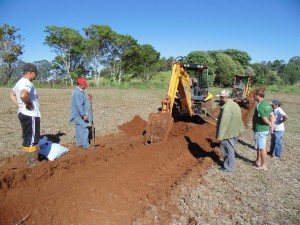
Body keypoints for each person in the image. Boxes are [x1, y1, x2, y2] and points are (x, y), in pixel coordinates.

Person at [9, 63, 41, 168]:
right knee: (32, 138)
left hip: (23, 113)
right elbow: (23, 94)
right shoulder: (27, 83)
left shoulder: (19, 82)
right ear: (31, 73)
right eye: (35, 74)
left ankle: (29, 161)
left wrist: (19, 105)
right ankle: (33, 162)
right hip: (30, 114)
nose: (35, 76)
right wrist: (28, 104)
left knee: (27, 137)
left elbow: (12, 94)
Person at [216, 90, 245, 172]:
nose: (220, 99)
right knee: (231, 149)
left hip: (228, 133)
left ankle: (229, 167)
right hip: (235, 131)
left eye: (220, 97)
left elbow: (224, 123)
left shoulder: (226, 107)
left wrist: (220, 136)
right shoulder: (235, 104)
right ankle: (229, 165)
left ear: (223, 97)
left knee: (227, 151)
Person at [252, 88, 274, 170]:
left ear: (258, 96)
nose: (254, 96)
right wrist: (271, 127)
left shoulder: (260, 106)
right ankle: (258, 161)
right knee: (259, 146)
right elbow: (272, 115)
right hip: (264, 129)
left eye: (255, 95)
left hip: (260, 129)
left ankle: (264, 165)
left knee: (262, 148)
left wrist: (270, 124)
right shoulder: (267, 104)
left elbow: (264, 119)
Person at [69, 78, 93, 149]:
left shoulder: (79, 91)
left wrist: (87, 98)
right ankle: (86, 145)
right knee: (84, 129)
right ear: (81, 85)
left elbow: (81, 101)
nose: (85, 86)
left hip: (77, 115)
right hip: (79, 115)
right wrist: (83, 115)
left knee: (78, 128)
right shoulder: (77, 93)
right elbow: (79, 105)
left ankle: (79, 143)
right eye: (85, 85)